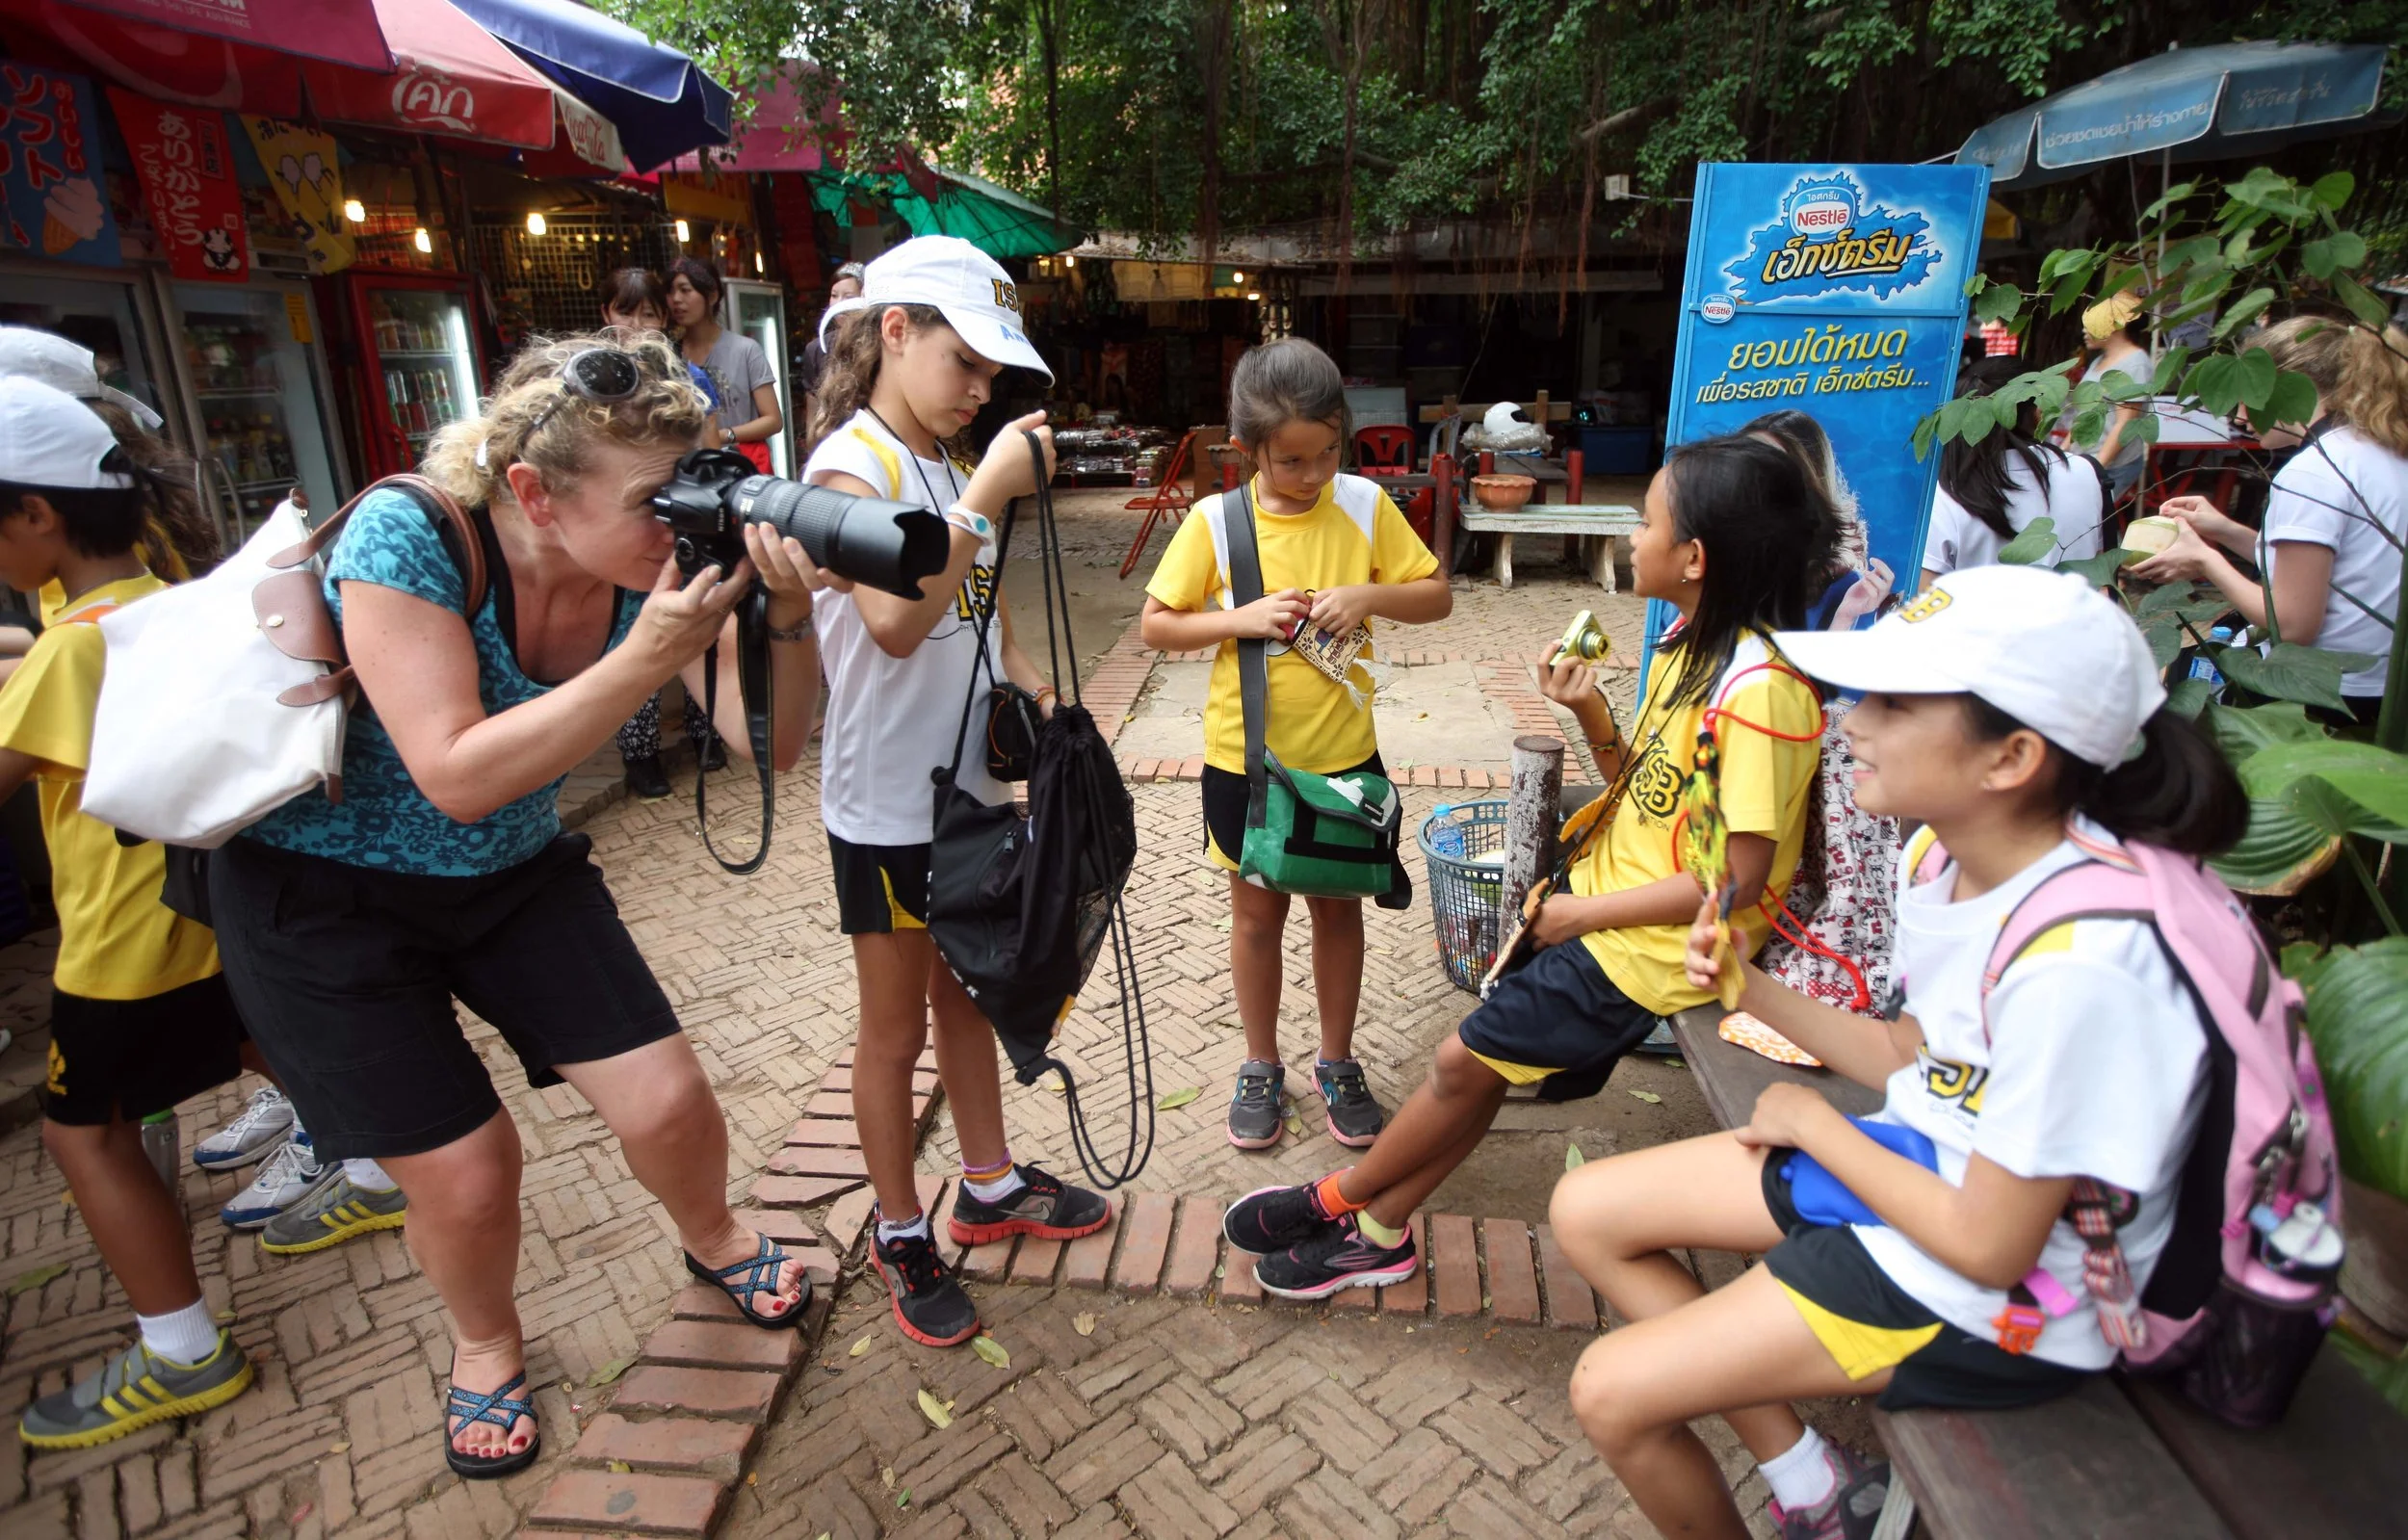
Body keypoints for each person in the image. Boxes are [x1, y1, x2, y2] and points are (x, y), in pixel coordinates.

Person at [205, 332, 829, 1478]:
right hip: (326, 894)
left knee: (668, 1101)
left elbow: (770, 746)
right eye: (658, 499)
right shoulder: (415, 534)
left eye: (696, 483)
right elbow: (453, 771)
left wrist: (778, 614)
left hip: (511, 868)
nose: (683, 517)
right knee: (469, 1167)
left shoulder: (656, 563)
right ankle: (485, 1340)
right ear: (536, 495)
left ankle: (716, 1235)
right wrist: (649, 659)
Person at [1550, 565, 2238, 1540]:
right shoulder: (1947, 857)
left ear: (2011, 758)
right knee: (1587, 1209)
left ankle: (1803, 1479)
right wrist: (1748, 989)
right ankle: (1813, 1487)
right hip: (1927, 1169)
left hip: (2009, 1295)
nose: (1851, 720)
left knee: (1611, 1393)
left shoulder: (2084, 965)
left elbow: (1992, 1246)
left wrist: (1816, 1129)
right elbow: (1915, 1056)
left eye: (1892, 702)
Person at [1222, 433, 1836, 1297]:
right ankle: (1378, 1232)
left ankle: (1333, 1200)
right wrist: (1592, 716)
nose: (1633, 531)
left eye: (1650, 519)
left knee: (1455, 1064)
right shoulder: (1688, 650)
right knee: (1480, 1067)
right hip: (1599, 905)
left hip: (1643, 951)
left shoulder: (1763, 692)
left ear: (1694, 557)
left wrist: (1579, 917)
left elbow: (1727, 882)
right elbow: (1657, 798)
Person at [805, 236, 1112, 1347]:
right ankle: (898, 1227)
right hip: (889, 806)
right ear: (895, 333)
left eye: (992, 372)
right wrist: (985, 488)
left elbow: (977, 598)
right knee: (892, 1029)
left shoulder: (936, 455)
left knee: (969, 989)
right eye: (965, 362)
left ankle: (984, 1183)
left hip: (968, 788)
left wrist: (1033, 689)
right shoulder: (852, 468)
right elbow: (892, 626)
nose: (981, 388)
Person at [0, 378, 257, 1447]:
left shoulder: (67, 648)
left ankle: (182, 1350)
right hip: (205, 917)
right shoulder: (167, 598)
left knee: (84, 1138)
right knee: (252, 1041)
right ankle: (382, 1167)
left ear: (37, 517)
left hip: (116, 951)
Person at [1140, 338, 1451, 1151]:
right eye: (1290, 462)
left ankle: (1337, 1060)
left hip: (1344, 757)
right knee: (1254, 916)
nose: (1312, 477)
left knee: (1337, 910)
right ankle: (1259, 1063)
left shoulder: (1362, 505)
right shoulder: (1216, 521)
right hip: (1246, 764)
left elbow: (1436, 594)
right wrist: (1240, 618)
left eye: (1325, 455)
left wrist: (1368, 594)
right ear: (1247, 450)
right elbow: (1156, 623)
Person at [2132, 314, 2408, 727]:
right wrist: (2227, 531)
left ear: (2286, 387)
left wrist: (2207, 562)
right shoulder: (2377, 446)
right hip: (2385, 686)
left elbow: (2293, 625)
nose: (2240, 416)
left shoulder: (2313, 473)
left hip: (2326, 696)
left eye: (2248, 392)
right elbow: (2340, 570)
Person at [1741, 411, 1899, 1020]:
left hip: (1805, 749)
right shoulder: (1739, 557)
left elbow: (1830, 690)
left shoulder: (1840, 572)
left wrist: (1851, 614)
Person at [598, 267, 719, 798]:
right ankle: (640, 755)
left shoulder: (688, 376)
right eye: (627, 311)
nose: (638, 324)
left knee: (702, 624)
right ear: (608, 314)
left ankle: (707, 732)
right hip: (623, 531)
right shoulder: (591, 380)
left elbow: (712, 448)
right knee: (630, 637)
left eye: (649, 312)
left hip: (684, 519)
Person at [1924, 357, 2107, 585]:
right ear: (2037, 411)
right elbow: (2102, 570)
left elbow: (1924, 602)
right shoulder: (2086, 471)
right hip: (2079, 618)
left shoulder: (1946, 492)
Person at [669, 256, 782, 473]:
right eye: (671, 291)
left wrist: (721, 436)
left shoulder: (746, 350)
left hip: (739, 467)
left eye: (685, 290)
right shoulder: (669, 355)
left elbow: (773, 420)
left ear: (711, 296)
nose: (676, 299)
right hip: (690, 468)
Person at [2065, 293, 2153, 503]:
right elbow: (2084, 415)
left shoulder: (2135, 363)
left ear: (2116, 325)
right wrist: (2062, 452)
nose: (2084, 331)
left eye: (2092, 323)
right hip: (2084, 460)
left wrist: (2097, 468)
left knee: (2089, 521)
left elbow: (2124, 424)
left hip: (2111, 465)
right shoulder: (2098, 362)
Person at [799, 262, 867, 424]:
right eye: (834, 295)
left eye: (849, 297)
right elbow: (813, 409)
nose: (839, 303)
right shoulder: (816, 349)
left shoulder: (879, 343)